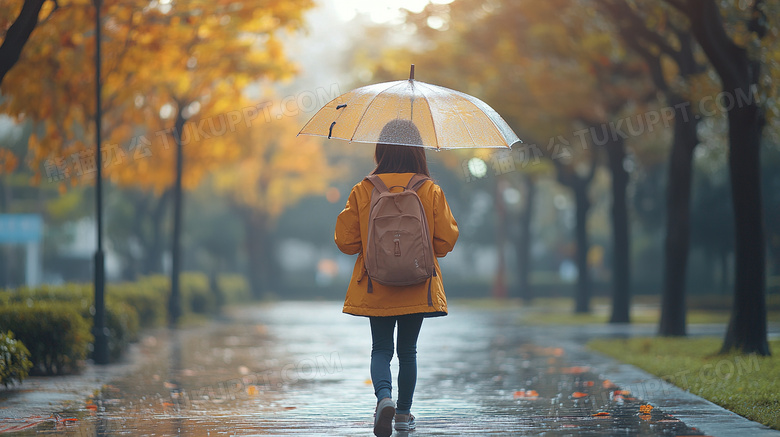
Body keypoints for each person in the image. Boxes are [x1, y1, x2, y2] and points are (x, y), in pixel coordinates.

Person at [334, 120, 459, 437]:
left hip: (376, 284)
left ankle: (383, 398)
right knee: (408, 352)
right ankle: (403, 415)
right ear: (418, 151)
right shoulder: (429, 189)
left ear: (381, 149)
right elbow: (445, 242)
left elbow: (345, 242)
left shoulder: (364, 189)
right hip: (417, 284)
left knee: (380, 350)